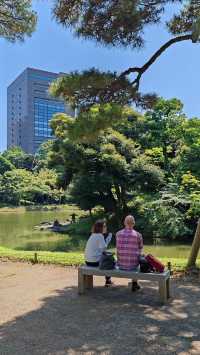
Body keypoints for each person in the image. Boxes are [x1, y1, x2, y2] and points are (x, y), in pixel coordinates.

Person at [116, 215, 143, 291]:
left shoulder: (118, 234)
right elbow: (140, 249)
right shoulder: (138, 235)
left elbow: (117, 249)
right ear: (133, 223)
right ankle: (134, 283)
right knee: (138, 258)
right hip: (133, 266)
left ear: (124, 223)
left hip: (121, 265)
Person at [85, 220, 113, 287]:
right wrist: (109, 238)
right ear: (101, 228)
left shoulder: (93, 235)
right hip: (95, 262)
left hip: (88, 261)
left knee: (106, 257)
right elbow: (104, 249)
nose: (106, 228)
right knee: (109, 260)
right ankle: (108, 281)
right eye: (105, 226)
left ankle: (108, 281)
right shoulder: (100, 236)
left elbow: (101, 249)